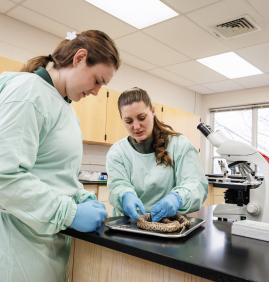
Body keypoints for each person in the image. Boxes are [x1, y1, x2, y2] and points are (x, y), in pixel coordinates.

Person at [0, 30, 120, 282]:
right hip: (17, 246)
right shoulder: (28, 93)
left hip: (44, 244)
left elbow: (55, 173)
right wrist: (69, 213)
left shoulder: (64, 107)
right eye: (98, 80)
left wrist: (79, 195)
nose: (98, 91)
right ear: (79, 57)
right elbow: (4, 176)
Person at [106, 87, 208, 223]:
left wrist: (177, 198)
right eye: (129, 121)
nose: (136, 126)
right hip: (129, 225)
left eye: (141, 118)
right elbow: (117, 185)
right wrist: (124, 195)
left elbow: (196, 184)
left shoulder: (180, 145)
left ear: (153, 111)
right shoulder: (117, 152)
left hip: (169, 226)